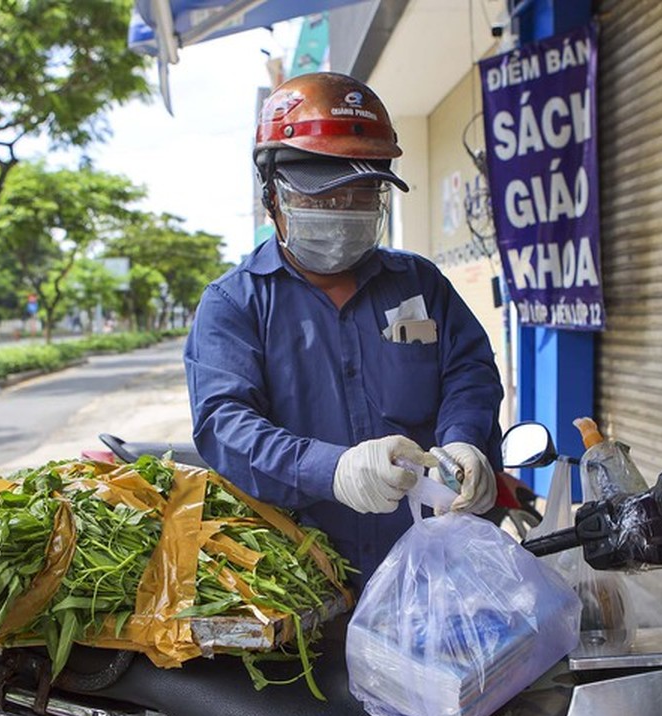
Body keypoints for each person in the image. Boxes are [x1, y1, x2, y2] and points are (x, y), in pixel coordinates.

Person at [183, 72, 504, 585]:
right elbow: (225, 424)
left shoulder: (419, 282)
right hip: (305, 580)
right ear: (272, 194)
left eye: (361, 195)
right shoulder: (233, 304)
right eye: (323, 198)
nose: (343, 213)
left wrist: (465, 444)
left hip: (434, 570)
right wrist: (330, 469)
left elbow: (470, 371)